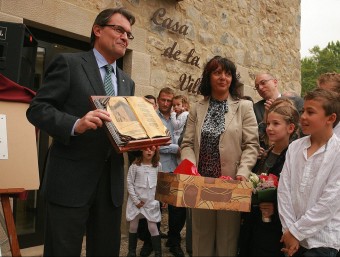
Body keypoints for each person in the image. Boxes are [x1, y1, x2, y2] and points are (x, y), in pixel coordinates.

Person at [26, 8, 136, 256]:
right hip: (70, 181)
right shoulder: (69, 63)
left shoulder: (127, 82)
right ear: (98, 30)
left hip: (110, 186)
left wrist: (143, 139)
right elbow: (37, 109)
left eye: (129, 34)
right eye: (119, 29)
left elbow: (123, 130)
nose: (125, 37)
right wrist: (76, 124)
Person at [181, 56, 259, 256]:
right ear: (209, 77)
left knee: (227, 241)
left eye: (227, 73)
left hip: (230, 182)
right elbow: (187, 144)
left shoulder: (244, 107)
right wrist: (190, 168)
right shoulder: (197, 108)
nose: (223, 77)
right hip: (200, 183)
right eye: (217, 72)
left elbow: (251, 145)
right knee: (201, 240)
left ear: (232, 78)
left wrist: (243, 172)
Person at [278, 88, 340, 257]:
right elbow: (284, 191)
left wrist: (296, 232)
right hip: (292, 238)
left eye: (310, 112)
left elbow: (330, 202)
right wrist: (289, 231)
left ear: (331, 118)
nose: (303, 116)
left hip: (323, 240)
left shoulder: (337, 152)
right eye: (303, 110)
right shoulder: (295, 147)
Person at [238, 98, 300, 257]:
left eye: (276, 124)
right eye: (268, 124)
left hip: (274, 227)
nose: (270, 128)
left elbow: (296, 195)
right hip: (254, 221)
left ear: (290, 128)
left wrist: (276, 208)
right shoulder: (265, 153)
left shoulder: (293, 158)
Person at [157, 87, 186, 257]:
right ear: (159, 99)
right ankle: (149, 242)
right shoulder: (153, 117)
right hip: (160, 167)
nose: (166, 104)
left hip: (178, 168)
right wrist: (176, 148)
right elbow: (156, 143)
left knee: (178, 208)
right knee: (155, 207)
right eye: (163, 100)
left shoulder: (181, 117)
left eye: (169, 100)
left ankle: (174, 241)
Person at [126, 148, 162, 257]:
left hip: (151, 202)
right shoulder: (135, 166)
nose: (149, 151)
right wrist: (136, 200)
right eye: (146, 149)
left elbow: (161, 183)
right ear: (141, 150)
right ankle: (131, 252)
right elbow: (129, 183)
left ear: (156, 151)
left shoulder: (158, 166)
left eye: (152, 149)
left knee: (153, 227)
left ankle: (158, 253)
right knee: (133, 226)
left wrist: (162, 199)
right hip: (136, 203)